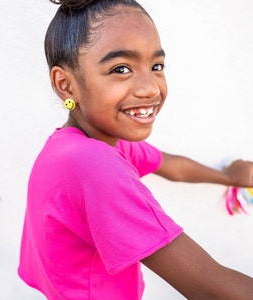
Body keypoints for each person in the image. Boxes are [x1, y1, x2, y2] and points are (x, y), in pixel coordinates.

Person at [18, 0, 253, 299]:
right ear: (65, 85)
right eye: (121, 69)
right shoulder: (91, 164)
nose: (151, 88)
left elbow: (175, 167)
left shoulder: (80, 145)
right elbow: (213, 290)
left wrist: (230, 177)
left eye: (156, 66)